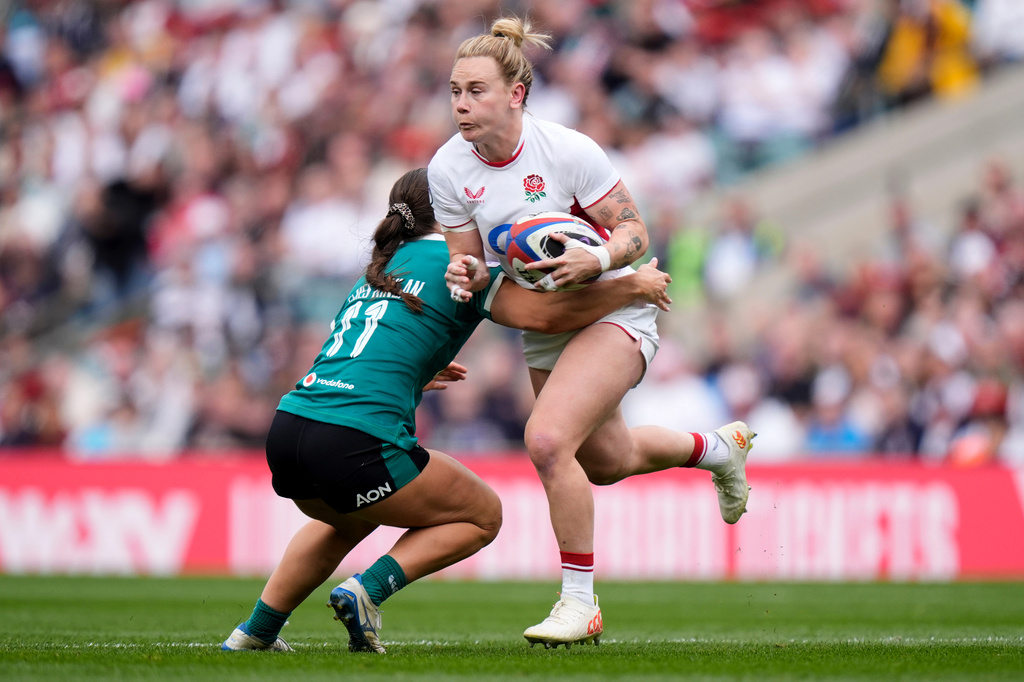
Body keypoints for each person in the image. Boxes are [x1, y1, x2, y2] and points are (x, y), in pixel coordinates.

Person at [221, 168, 673, 654]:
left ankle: (255, 633)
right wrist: (632, 286)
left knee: (347, 519)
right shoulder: (458, 262)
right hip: (352, 438)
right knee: (481, 515)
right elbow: (545, 317)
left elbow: (371, 347)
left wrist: (419, 370)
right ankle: (366, 592)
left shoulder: (386, 264)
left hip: (290, 429)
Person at [429, 16, 756, 648]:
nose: (461, 106)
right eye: (454, 91)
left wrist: (599, 259)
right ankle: (718, 449)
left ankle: (580, 604)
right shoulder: (448, 170)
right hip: (548, 322)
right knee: (605, 461)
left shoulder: (567, 150)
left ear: (516, 94)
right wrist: (463, 278)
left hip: (615, 304)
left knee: (548, 441)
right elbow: (469, 267)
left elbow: (636, 233)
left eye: (476, 91)